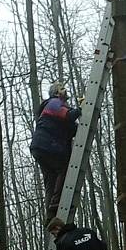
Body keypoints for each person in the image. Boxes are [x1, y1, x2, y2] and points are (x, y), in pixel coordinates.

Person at [30, 82, 82, 221]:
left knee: (50, 182)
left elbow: (72, 128)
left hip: (41, 147)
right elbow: (69, 116)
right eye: (62, 88)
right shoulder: (54, 103)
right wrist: (82, 108)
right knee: (64, 169)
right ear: (57, 93)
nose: (65, 90)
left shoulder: (55, 109)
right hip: (48, 146)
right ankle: (55, 204)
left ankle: (50, 216)